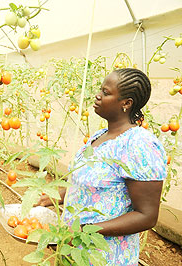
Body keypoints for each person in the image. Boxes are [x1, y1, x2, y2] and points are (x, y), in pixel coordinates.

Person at [36, 68, 166, 265]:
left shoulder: (139, 145)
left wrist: (85, 229)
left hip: (104, 256)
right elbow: (93, 184)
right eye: (101, 89)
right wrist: (57, 196)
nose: (97, 95)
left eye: (106, 92)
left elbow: (146, 216)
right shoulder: (100, 136)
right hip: (74, 248)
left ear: (126, 103)